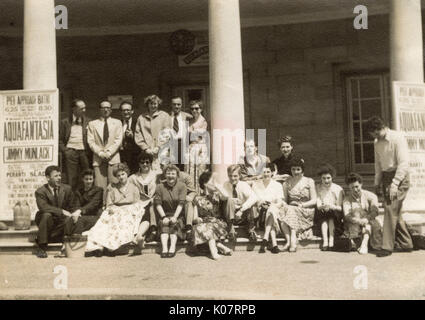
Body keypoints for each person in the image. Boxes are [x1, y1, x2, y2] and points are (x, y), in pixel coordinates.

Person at [366, 116, 413, 257]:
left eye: (375, 133)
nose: (374, 136)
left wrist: (395, 184)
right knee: (395, 212)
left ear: (381, 128)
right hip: (386, 177)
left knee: (389, 208)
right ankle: (406, 243)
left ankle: (386, 247)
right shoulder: (377, 143)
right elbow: (378, 165)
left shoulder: (398, 138)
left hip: (400, 177)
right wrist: (377, 182)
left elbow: (404, 163)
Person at [86, 163, 149, 257]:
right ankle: (99, 246)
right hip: (116, 209)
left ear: (127, 173)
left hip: (129, 210)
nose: (121, 177)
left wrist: (129, 210)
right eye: (118, 175)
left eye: (123, 174)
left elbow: (137, 203)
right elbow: (109, 204)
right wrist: (112, 209)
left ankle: (113, 245)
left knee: (125, 221)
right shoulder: (112, 187)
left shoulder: (134, 187)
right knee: (104, 223)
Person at [34, 166, 76, 258]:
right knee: (46, 215)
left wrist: (75, 213)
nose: (59, 178)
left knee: (70, 218)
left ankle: (64, 245)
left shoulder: (67, 189)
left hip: (61, 223)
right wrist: (61, 211)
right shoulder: (40, 191)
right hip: (48, 222)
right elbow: (43, 207)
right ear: (48, 178)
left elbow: (72, 206)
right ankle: (42, 248)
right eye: (56, 176)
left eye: (60, 175)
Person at [277, 155, 317, 252]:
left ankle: (292, 241)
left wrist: (302, 205)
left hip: (305, 210)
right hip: (291, 209)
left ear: (302, 170)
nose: (295, 172)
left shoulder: (309, 181)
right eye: (293, 169)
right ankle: (289, 240)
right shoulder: (287, 182)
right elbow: (285, 200)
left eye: (298, 169)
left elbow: (314, 200)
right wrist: (284, 205)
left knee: (290, 211)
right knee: (282, 214)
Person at [192, 171, 233, 260]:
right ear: (205, 184)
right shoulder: (197, 198)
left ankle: (214, 253)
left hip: (218, 223)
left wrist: (217, 185)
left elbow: (226, 196)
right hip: (203, 224)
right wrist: (197, 219)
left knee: (209, 228)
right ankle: (220, 246)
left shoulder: (217, 196)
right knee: (202, 228)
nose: (215, 183)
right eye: (213, 181)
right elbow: (194, 217)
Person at [87, 100, 123, 196]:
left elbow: (118, 140)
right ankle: (101, 207)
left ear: (111, 110)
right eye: (103, 107)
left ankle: (113, 206)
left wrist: (109, 152)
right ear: (100, 109)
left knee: (114, 184)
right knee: (99, 186)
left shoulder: (117, 122)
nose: (106, 109)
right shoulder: (92, 124)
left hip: (113, 157)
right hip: (99, 158)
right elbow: (90, 141)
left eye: (108, 107)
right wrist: (100, 153)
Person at [154, 165, 187, 258]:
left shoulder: (182, 186)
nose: (170, 176)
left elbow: (181, 203)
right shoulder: (160, 187)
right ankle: (164, 249)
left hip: (178, 214)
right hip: (164, 213)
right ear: (165, 175)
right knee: (164, 224)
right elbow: (158, 204)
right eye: (168, 173)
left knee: (174, 224)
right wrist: (164, 217)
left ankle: (172, 248)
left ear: (177, 175)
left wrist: (175, 217)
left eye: (173, 173)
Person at [127, 152, 157, 255]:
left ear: (150, 163)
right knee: (140, 213)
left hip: (153, 201)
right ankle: (139, 237)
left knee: (149, 211)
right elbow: (128, 191)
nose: (145, 164)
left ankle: (139, 236)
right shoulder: (133, 178)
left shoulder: (156, 175)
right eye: (142, 162)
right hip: (139, 202)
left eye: (147, 162)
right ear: (139, 164)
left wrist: (155, 198)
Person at [342, 173, 379, 255]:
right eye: (352, 187)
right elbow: (347, 215)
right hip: (354, 223)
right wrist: (359, 221)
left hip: (369, 221)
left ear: (361, 184)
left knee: (368, 224)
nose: (355, 190)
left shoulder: (371, 195)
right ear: (349, 188)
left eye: (357, 186)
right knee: (356, 212)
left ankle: (364, 244)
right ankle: (361, 243)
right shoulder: (347, 199)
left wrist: (366, 219)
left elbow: (375, 211)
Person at [59, 99, 92, 190]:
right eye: (81, 109)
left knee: (87, 176)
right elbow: (60, 140)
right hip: (71, 152)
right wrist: (66, 151)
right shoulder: (65, 122)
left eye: (85, 108)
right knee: (71, 178)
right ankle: (72, 200)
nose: (84, 110)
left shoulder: (89, 121)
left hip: (84, 152)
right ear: (74, 109)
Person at [252, 163, 285, 254]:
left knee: (271, 210)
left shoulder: (277, 185)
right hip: (260, 212)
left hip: (274, 210)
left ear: (272, 173)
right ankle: (274, 244)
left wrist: (273, 206)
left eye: (268, 172)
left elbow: (280, 202)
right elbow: (255, 200)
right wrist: (261, 203)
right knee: (271, 212)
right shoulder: (256, 184)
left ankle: (266, 239)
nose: (266, 174)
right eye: (264, 172)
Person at [135, 94, 171, 172]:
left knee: (162, 172)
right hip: (147, 151)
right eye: (151, 103)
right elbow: (138, 134)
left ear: (158, 104)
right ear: (147, 104)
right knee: (147, 172)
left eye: (155, 103)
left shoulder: (164, 116)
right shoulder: (141, 118)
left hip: (162, 150)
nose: (153, 106)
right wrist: (146, 148)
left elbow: (167, 133)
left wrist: (158, 147)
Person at [222, 164, 258, 242]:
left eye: (235, 176)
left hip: (243, 214)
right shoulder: (225, 184)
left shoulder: (243, 185)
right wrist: (230, 200)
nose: (232, 178)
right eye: (230, 176)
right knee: (228, 200)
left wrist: (242, 209)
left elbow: (254, 197)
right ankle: (231, 230)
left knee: (252, 204)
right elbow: (223, 199)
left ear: (239, 176)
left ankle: (251, 230)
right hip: (230, 213)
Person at [64, 169, 103, 236]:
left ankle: (77, 242)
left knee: (79, 221)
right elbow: (76, 204)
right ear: (83, 179)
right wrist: (76, 213)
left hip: (94, 216)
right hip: (80, 215)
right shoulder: (79, 191)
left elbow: (93, 204)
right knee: (69, 219)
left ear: (93, 179)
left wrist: (80, 211)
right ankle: (67, 241)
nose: (88, 181)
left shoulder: (98, 190)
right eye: (86, 179)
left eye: (90, 179)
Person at [315, 163, 344, 251]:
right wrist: (322, 207)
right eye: (323, 178)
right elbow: (318, 201)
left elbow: (339, 207)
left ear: (332, 178)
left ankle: (331, 240)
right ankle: (325, 241)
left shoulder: (338, 189)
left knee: (330, 217)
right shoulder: (318, 187)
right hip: (322, 211)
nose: (326, 181)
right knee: (324, 218)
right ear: (321, 178)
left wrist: (331, 206)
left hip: (335, 212)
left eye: (328, 178)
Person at [185, 100, 209, 193]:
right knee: (190, 170)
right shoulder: (190, 121)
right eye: (192, 109)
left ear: (201, 109)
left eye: (197, 108)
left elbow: (198, 135)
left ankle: (199, 192)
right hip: (191, 147)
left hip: (200, 148)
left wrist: (191, 132)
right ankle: (191, 191)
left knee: (199, 170)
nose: (194, 111)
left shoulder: (203, 121)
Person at [169, 96, 192, 171]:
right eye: (174, 104)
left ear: (181, 105)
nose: (176, 106)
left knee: (182, 167)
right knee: (171, 166)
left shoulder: (186, 116)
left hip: (182, 143)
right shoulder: (167, 116)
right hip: (171, 144)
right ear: (171, 105)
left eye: (178, 104)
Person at [119, 101, 140, 175]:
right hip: (121, 155)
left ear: (132, 111)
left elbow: (143, 138)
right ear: (121, 112)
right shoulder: (118, 123)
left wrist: (133, 136)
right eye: (123, 110)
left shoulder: (138, 122)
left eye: (128, 110)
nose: (126, 112)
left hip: (135, 155)